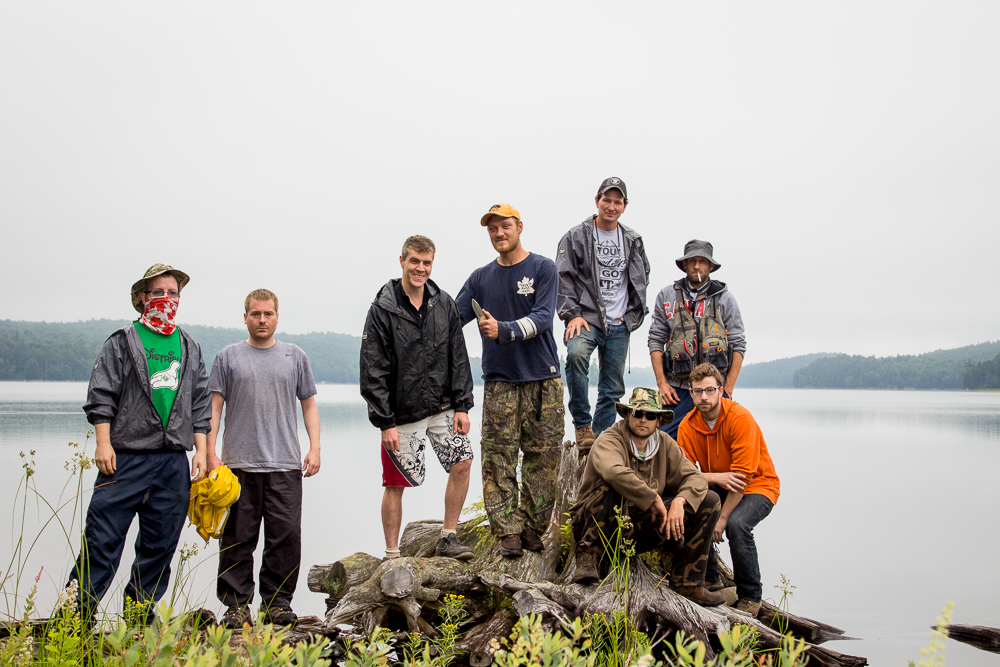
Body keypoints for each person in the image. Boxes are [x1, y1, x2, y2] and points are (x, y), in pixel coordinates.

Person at [73, 263, 210, 620]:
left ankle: (136, 625)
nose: (166, 299)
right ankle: (73, 623)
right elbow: (101, 395)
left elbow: (200, 403)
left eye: (173, 293)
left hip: (172, 464)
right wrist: (103, 444)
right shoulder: (123, 340)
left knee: (159, 549)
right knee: (101, 544)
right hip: (125, 459)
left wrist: (203, 452)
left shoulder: (189, 345)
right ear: (141, 298)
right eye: (158, 293)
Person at [206, 288, 321, 628]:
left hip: (285, 462)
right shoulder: (228, 357)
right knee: (238, 539)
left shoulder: (294, 356)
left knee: (284, 538)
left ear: (276, 316)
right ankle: (236, 606)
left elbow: (309, 405)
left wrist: (314, 448)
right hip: (238, 464)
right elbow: (214, 407)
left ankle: (277, 603)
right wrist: (209, 452)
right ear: (245, 317)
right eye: (255, 314)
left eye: (267, 314)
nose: (261, 320)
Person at [456, 204, 565, 558]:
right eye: (492, 229)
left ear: (519, 227)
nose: (499, 234)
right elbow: (450, 318)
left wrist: (502, 330)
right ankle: (507, 530)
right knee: (497, 456)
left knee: (543, 457)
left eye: (504, 227)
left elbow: (545, 318)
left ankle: (533, 526)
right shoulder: (480, 278)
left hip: (544, 378)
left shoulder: (543, 268)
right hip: (501, 380)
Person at [360, 235, 477, 562]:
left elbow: (459, 356)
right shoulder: (382, 309)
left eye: (426, 263)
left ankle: (448, 537)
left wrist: (462, 405)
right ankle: (392, 554)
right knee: (395, 483)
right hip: (402, 413)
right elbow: (373, 368)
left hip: (442, 407)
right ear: (402, 261)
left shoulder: (444, 304)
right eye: (414, 261)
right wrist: (385, 422)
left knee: (463, 462)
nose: (420, 268)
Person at [570, 388, 725, 607]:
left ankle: (688, 582)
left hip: (637, 527)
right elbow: (613, 471)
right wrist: (653, 499)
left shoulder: (665, 443)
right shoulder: (609, 438)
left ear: (659, 420)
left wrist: (680, 501)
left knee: (709, 500)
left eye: (651, 415)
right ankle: (587, 557)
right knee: (608, 487)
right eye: (638, 413)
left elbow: (695, 478)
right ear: (628, 415)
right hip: (597, 524)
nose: (644, 419)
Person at [676, 364, 780, 617]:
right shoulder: (687, 426)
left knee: (737, 525)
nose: (704, 397)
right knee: (697, 510)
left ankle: (750, 595)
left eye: (710, 390)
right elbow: (684, 475)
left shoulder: (740, 419)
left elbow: (742, 478)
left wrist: (721, 519)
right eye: (698, 391)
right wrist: (713, 477)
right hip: (721, 483)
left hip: (758, 485)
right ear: (690, 393)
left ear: (721, 390)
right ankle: (711, 580)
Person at [556, 177, 650, 450]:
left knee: (612, 387)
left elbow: (643, 276)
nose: (611, 206)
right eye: (606, 200)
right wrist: (572, 314)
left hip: (620, 323)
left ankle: (600, 440)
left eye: (617, 202)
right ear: (597, 201)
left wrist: (632, 315)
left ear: (624, 206)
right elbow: (563, 277)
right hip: (586, 318)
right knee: (576, 356)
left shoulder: (633, 240)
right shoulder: (576, 236)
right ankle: (582, 425)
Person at [647, 240, 746, 438]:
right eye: (692, 261)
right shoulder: (666, 295)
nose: (697, 266)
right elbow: (655, 340)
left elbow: (738, 345)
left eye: (702, 261)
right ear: (685, 265)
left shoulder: (726, 299)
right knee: (663, 443)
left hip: (713, 390)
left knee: (719, 443)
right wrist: (662, 384)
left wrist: (726, 390)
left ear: (711, 266)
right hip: (677, 390)